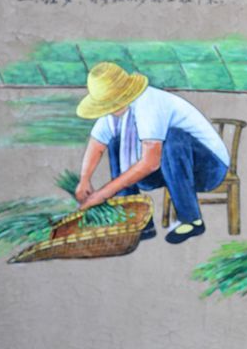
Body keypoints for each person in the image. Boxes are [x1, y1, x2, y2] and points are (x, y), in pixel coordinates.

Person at [75, 62, 230, 244]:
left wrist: (102, 195)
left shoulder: (149, 103)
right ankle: (137, 218)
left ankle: (192, 219)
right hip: (170, 169)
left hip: (208, 168)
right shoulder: (114, 113)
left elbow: (150, 163)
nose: (108, 109)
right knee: (116, 142)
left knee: (173, 138)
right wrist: (84, 179)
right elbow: (97, 142)